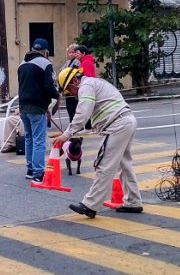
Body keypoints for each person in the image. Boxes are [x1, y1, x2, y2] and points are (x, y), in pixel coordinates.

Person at [53, 66, 143, 218]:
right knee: (123, 164)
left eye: (70, 90)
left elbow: (83, 113)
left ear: (75, 81)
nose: (72, 95)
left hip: (117, 125)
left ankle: (90, 204)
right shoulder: (95, 82)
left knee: (103, 164)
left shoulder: (85, 87)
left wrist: (66, 135)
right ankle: (134, 202)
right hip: (126, 121)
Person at [17, 38, 58, 184]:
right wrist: (57, 95)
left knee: (29, 138)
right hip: (37, 106)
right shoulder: (46, 63)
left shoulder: (22, 63)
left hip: (23, 106)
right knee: (39, 140)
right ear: (46, 51)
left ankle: (30, 169)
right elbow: (50, 86)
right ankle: (39, 173)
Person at [63, 44, 82, 122]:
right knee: (69, 108)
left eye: (73, 52)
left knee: (74, 107)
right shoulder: (68, 62)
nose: (71, 54)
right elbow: (63, 71)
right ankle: (71, 123)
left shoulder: (77, 62)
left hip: (73, 87)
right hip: (68, 88)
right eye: (69, 52)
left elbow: (71, 72)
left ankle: (75, 124)